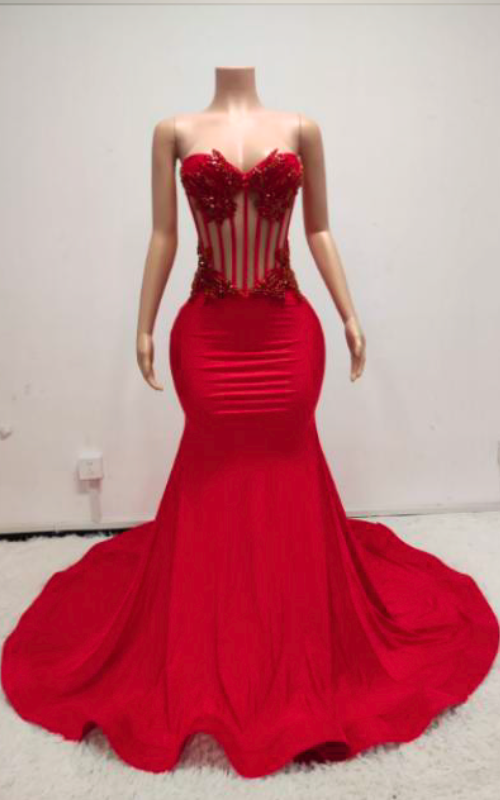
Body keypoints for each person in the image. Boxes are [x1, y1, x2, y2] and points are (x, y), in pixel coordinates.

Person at [2, 66, 499, 780]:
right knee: (213, 470)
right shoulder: (173, 131)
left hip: (286, 335)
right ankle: (213, 624)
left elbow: (319, 228)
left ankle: (295, 623)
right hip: (207, 337)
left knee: (288, 464)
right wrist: (143, 326)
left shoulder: (301, 128)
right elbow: (163, 236)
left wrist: (351, 316)